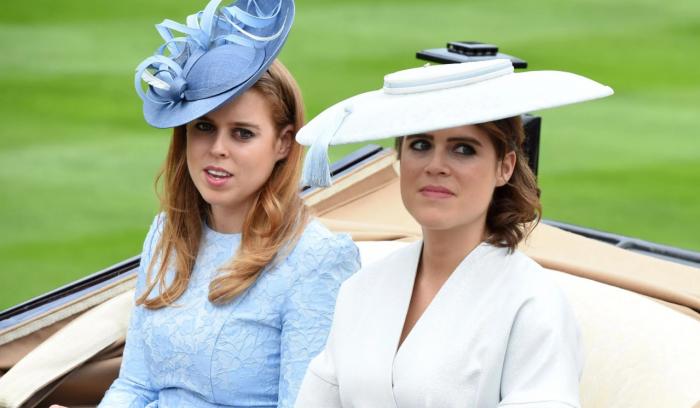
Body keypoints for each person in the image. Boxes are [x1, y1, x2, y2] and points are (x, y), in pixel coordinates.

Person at [294, 59, 613, 407]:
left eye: (463, 149)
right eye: (420, 145)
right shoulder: (361, 289)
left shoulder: (532, 302)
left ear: (504, 167)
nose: (436, 166)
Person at [94, 0, 360, 406]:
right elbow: (135, 386)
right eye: (204, 127)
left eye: (242, 133)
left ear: (283, 143)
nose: (217, 148)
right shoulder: (166, 232)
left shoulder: (317, 259)